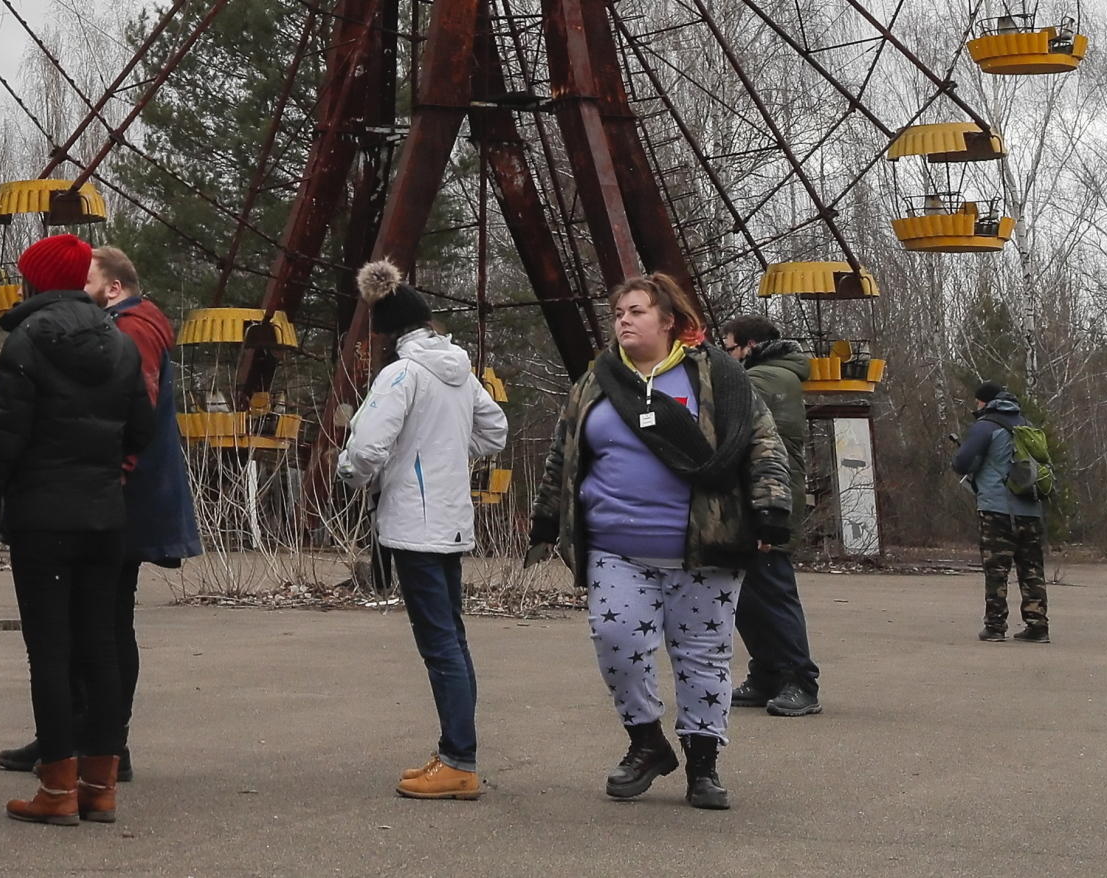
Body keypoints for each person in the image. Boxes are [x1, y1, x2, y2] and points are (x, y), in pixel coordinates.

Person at [526, 271, 790, 813]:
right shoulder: (595, 382)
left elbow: (762, 443)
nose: (623, 320)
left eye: (637, 311)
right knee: (615, 640)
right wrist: (546, 517)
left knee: (703, 657)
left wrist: (771, 513)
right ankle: (646, 743)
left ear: (669, 321)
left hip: (706, 547)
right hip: (616, 548)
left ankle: (703, 763)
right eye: (618, 313)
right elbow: (564, 454)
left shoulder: (719, 378)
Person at [0, 231, 152, 827]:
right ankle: (101, 786)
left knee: (49, 649)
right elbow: (142, 431)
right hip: (103, 515)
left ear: (37, 281)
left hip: (44, 516)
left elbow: (5, 434)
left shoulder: (28, 338)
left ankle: (56, 789)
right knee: (99, 643)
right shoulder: (121, 343)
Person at [0, 242, 199, 786]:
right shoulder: (129, 325)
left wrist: (109, 477)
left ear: (112, 288)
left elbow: (134, 413)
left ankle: (104, 744)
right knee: (97, 624)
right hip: (112, 494)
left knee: (103, 625)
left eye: (83, 280)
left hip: (114, 497)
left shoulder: (129, 331)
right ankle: (76, 737)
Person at [337, 261, 509, 801]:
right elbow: (496, 432)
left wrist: (354, 474)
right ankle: (457, 750)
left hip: (414, 523)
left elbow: (365, 447)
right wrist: (450, 453)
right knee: (452, 639)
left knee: (439, 644)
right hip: (453, 520)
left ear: (388, 331)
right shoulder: (459, 371)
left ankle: (460, 760)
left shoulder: (402, 374)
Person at [719, 314, 822, 715]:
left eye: (729, 350)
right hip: (760, 498)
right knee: (750, 594)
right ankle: (767, 675)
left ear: (750, 346)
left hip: (770, 501)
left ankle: (801, 680)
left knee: (773, 592)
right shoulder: (774, 375)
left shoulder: (763, 380)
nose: (728, 359)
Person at [951, 380, 1051, 643]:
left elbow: (961, 463)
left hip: (997, 509)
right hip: (1030, 508)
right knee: (1031, 568)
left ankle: (995, 626)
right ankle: (1037, 625)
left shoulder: (985, 427)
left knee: (996, 569)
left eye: (977, 402)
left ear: (985, 402)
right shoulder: (1026, 424)